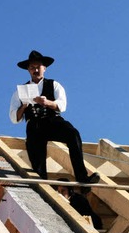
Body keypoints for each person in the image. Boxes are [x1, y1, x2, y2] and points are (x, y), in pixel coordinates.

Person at [9, 50, 99, 184]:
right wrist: (24, 106)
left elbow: (62, 105)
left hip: (52, 121)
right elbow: (13, 118)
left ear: (44, 68)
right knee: (37, 161)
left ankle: (82, 176)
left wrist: (46, 102)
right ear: (28, 70)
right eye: (32, 67)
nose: (35, 70)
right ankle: (42, 187)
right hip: (34, 125)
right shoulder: (20, 91)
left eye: (38, 67)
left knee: (73, 134)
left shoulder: (54, 84)